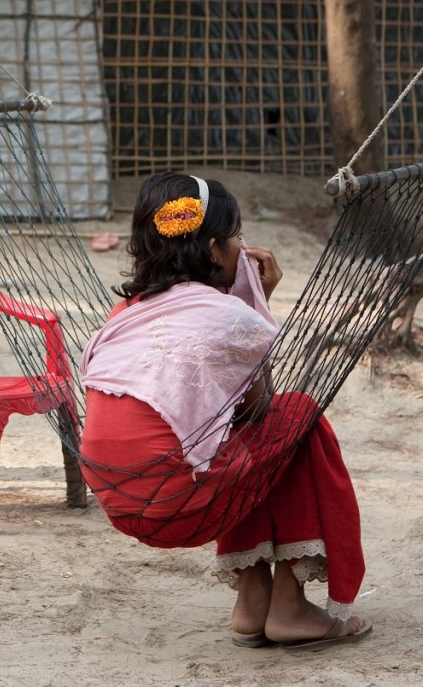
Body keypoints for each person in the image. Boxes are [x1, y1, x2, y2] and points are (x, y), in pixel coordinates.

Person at [78, 172, 372, 652]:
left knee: (223, 433)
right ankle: (290, 605)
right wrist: (257, 304)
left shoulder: (126, 313)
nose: (245, 247)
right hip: (175, 504)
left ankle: (253, 598)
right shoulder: (228, 317)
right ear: (214, 249)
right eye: (237, 235)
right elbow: (260, 408)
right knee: (300, 417)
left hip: (118, 497)